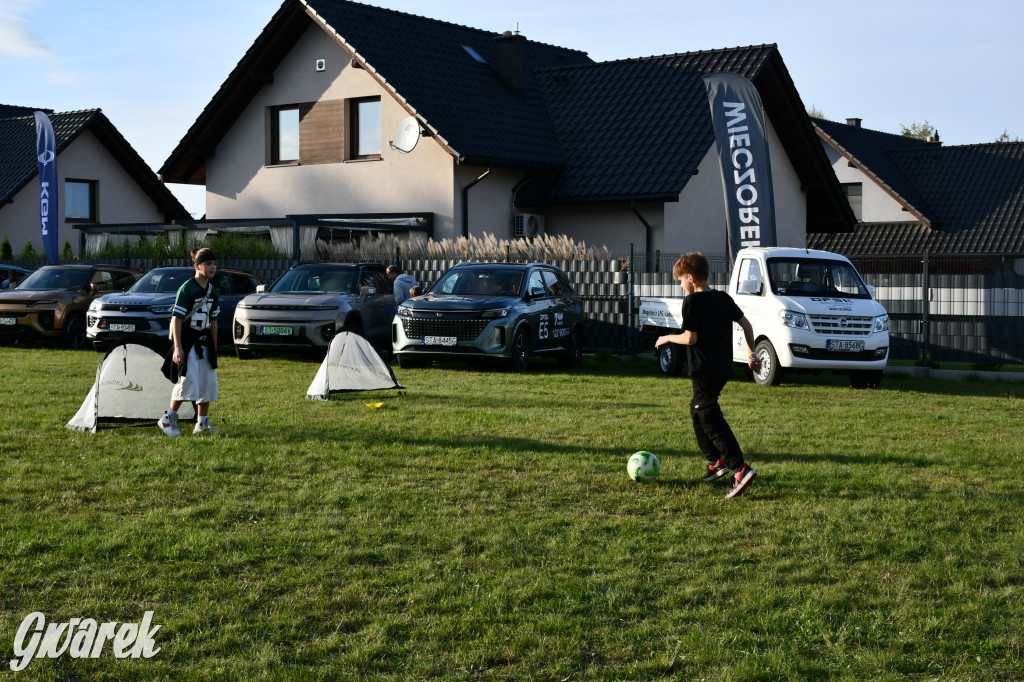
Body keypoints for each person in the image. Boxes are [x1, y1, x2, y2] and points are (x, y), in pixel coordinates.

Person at [654, 252, 761, 498]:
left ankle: (739, 468)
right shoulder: (723, 298)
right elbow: (747, 325)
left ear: (690, 278)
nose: (681, 286)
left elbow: (690, 337)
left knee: (708, 415)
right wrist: (751, 354)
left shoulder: (692, 302)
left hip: (705, 369)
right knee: (697, 409)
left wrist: (667, 336)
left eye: (681, 281)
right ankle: (715, 462)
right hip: (723, 367)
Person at [159, 247, 221, 436]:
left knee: (208, 381)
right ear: (197, 266)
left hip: (205, 342)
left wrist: (214, 347)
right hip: (188, 341)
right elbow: (177, 319)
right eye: (208, 263)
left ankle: (201, 423)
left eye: (214, 263)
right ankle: (168, 418)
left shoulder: (214, 291)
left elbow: (214, 321)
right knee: (188, 381)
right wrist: (178, 347)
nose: (212, 267)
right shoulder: (186, 289)